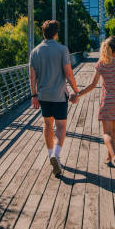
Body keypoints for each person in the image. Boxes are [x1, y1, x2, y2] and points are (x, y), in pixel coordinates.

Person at [72, 36, 115, 178]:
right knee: (113, 130)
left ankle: (114, 157)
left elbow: (93, 85)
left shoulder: (102, 63)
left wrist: (78, 93)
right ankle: (109, 158)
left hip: (107, 101)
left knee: (106, 133)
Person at [29, 20, 80, 177]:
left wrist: (33, 95)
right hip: (59, 95)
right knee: (61, 126)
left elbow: (32, 76)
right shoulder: (62, 49)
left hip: (43, 96)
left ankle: (50, 152)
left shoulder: (35, 51)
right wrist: (76, 91)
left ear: (43, 33)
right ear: (56, 33)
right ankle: (55, 155)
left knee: (47, 124)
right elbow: (68, 73)